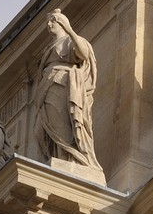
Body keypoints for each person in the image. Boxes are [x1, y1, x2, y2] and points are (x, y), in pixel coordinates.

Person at [36, 10, 103, 175]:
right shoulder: (48, 48)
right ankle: (58, 157)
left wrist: (71, 31)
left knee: (61, 126)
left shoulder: (70, 41)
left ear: (62, 24)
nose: (49, 25)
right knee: (40, 131)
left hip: (61, 85)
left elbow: (83, 54)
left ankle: (71, 159)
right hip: (47, 86)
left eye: (53, 22)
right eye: (47, 23)